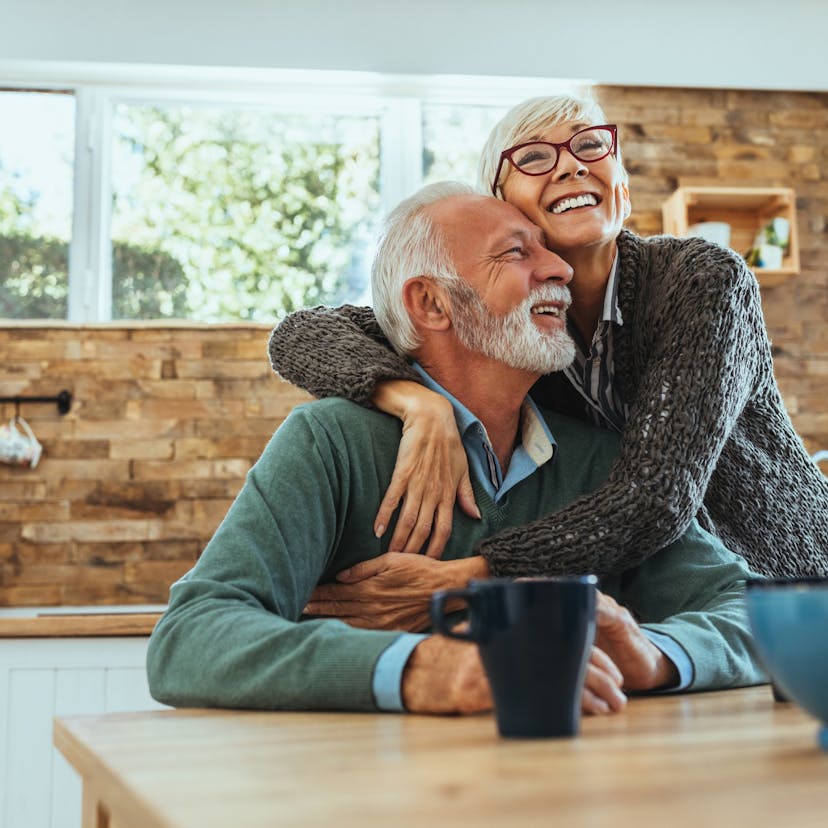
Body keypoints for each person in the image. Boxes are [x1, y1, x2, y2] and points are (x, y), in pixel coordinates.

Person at [147, 182, 764, 716]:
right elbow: (191, 637)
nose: (560, 270)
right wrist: (426, 669)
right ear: (432, 303)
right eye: (517, 253)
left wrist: (653, 655)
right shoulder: (330, 442)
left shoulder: (601, 462)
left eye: (548, 250)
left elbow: (752, 611)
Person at [268, 93, 828, 596]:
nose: (572, 163)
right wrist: (418, 402)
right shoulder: (514, 326)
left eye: (589, 145)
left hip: (784, 581)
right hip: (656, 596)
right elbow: (302, 334)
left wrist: (468, 579)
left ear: (623, 192)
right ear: (502, 205)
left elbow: (655, 497)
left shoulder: (703, 280)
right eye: (535, 157)